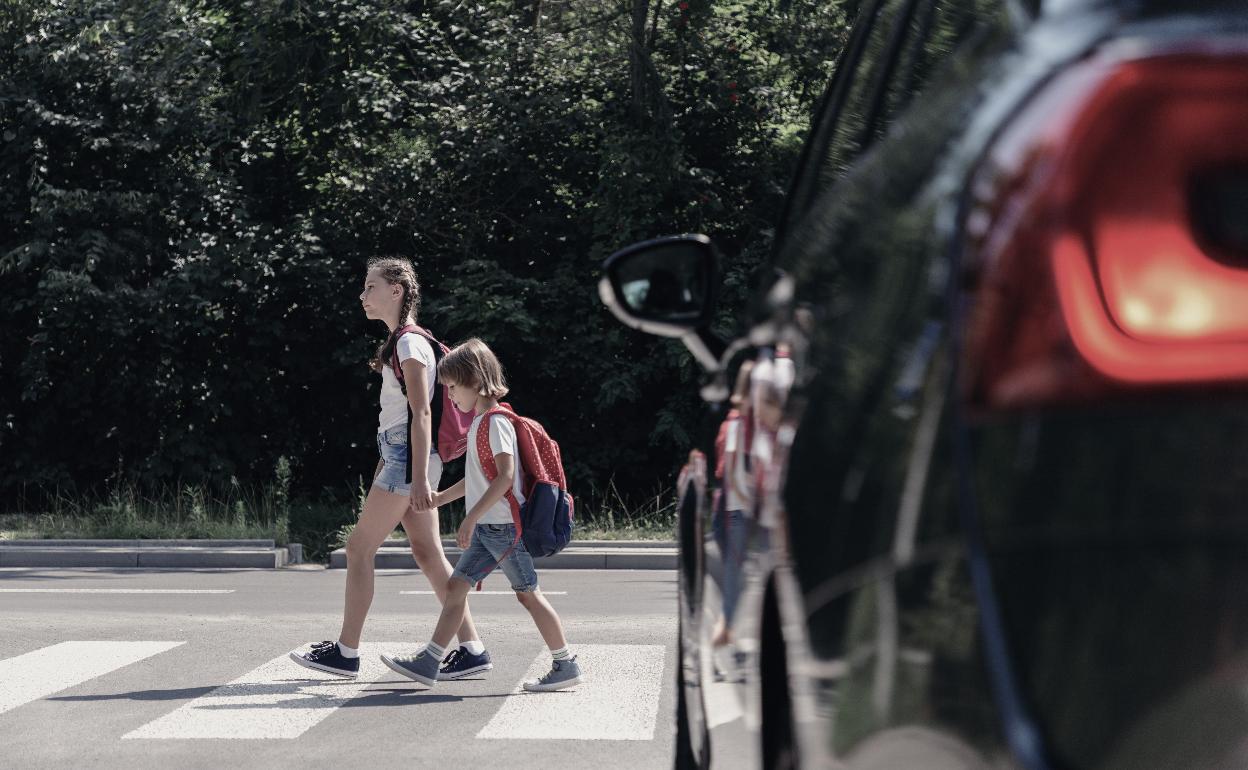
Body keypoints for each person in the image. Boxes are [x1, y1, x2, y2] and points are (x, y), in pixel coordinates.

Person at [290, 258, 490, 680]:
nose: (363, 295)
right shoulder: (404, 343)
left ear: (396, 290)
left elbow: (421, 414)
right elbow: (404, 415)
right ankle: (472, 649)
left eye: (370, 287)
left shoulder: (409, 345)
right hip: (403, 457)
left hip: (409, 459)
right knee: (428, 553)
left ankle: (346, 651)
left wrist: (415, 477)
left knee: (359, 549)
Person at [380, 338, 583, 691]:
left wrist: (470, 517)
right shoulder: (479, 423)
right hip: (492, 529)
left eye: (454, 388)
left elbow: (504, 476)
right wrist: (442, 498)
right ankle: (429, 661)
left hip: (505, 529)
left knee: (528, 595)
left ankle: (565, 663)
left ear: (476, 381)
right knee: (456, 587)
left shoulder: (496, 422)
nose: (452, 398)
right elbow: (478, 478)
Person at [711, 362, 754, 653]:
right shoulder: (739, 425)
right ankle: (725, 638)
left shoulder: (740, 423)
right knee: (735, 580)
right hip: (738, 511)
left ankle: (726, 637)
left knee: (736, 579)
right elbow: (732, 475)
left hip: (736, 511)